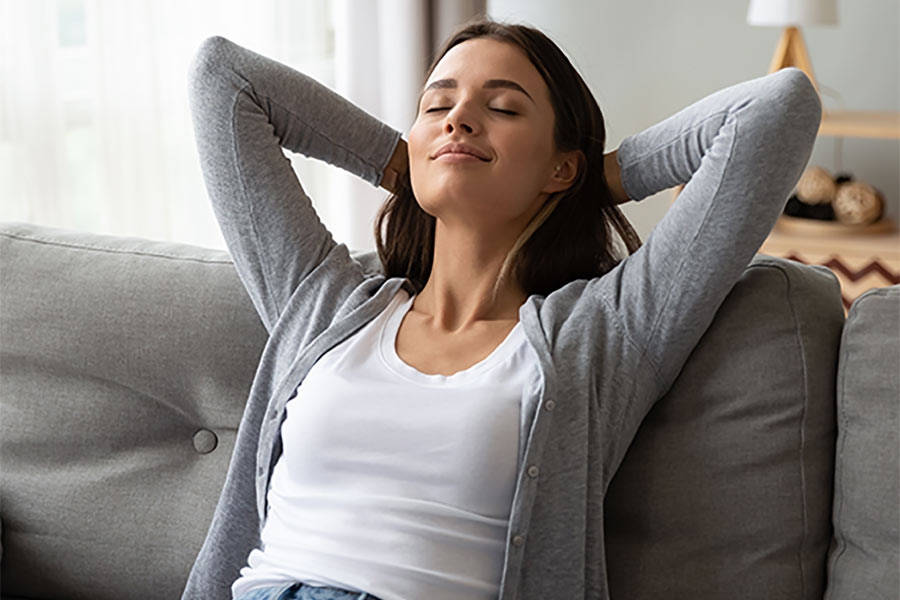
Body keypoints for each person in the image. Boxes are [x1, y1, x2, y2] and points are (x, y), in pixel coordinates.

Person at [182, 17, 821, 600]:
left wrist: (597, 181)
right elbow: (223, 78)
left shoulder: (604, 333)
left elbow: (777, 109)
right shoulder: (323, 304)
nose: (459, 117)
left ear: (560, 168)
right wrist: (402, 161)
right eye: (438, 104)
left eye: (503, 107)